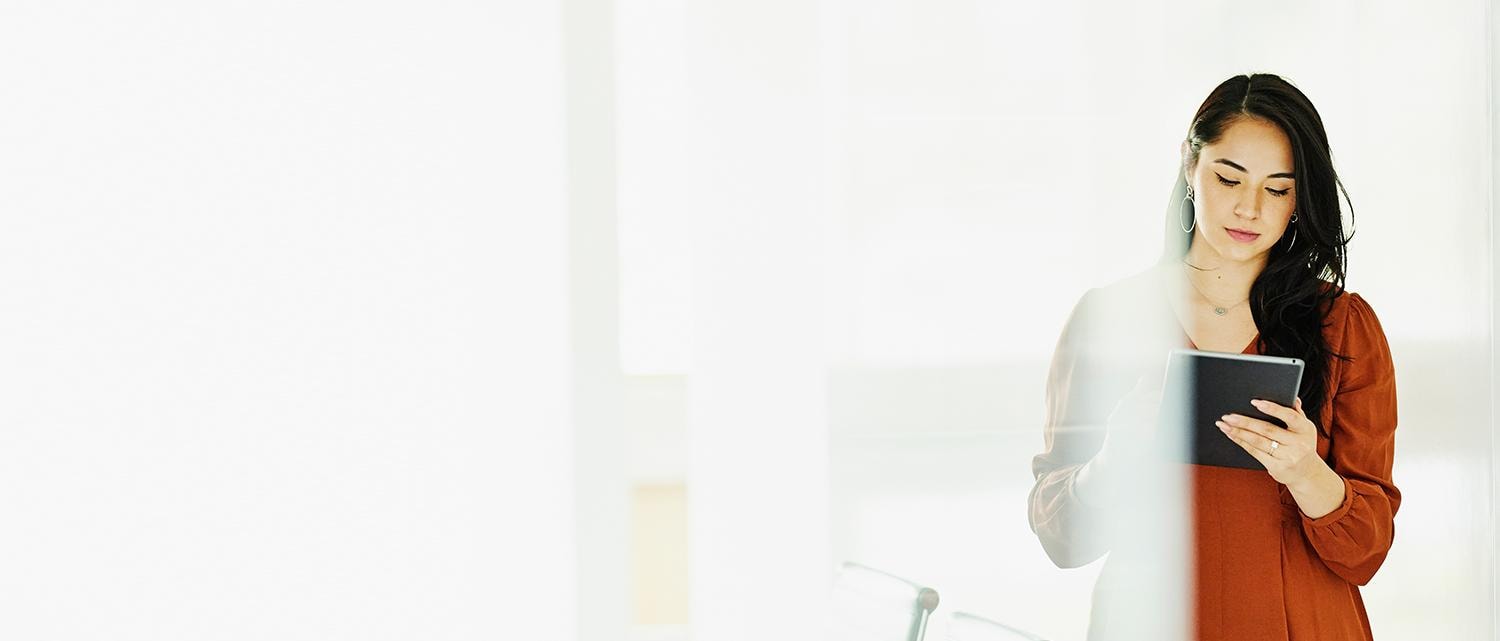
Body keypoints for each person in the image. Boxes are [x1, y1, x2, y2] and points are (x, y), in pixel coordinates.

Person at [1026, 73, 1399, 641]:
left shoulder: (1344, 326)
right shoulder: (1110, 319)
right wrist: (1112, 461)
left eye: (1278, 190)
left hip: (1304, 622)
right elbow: (1061, 538)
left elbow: (1366, 550)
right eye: (1229, 178)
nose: (1249, 208)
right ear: (1189, 164)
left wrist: (1304, 471)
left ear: (1300, 199)